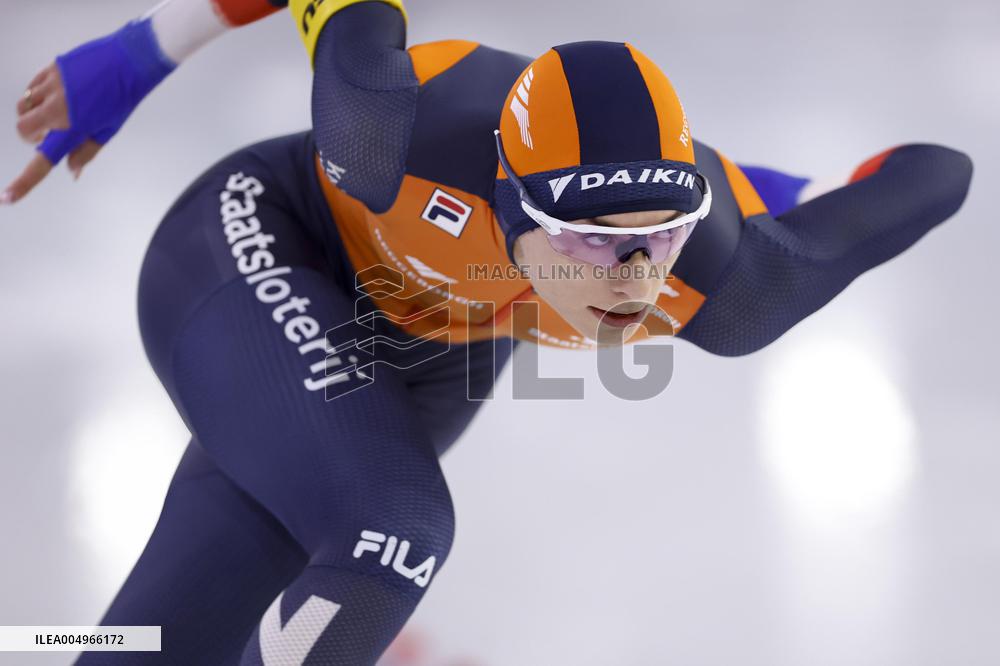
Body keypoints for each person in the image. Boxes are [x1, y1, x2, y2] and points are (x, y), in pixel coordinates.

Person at [3, 0, 973, 664]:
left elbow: (936, 169)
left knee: (162, 646)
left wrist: (802, 199)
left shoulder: (730, 285)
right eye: (592, 246)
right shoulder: (386, 133)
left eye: (661, 236)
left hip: (431, 349)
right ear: (507, 207)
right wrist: (141, 52)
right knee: (389, 532)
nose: (633, 286)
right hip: (261, 242)